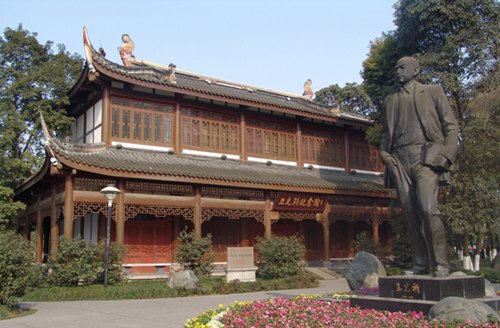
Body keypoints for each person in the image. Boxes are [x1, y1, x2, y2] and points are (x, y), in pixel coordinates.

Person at [380, 56, 459, 277]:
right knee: (410, 213)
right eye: (396, 67)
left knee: (427, 208)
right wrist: (385, 155)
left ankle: (441, 264)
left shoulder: (432, 91)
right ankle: (421, 264)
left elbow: (451, 126)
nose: (398, 71)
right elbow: (386, 135)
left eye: (402, 67)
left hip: (426, 156)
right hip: (398, 159)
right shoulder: (390, 100)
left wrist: (445, 155)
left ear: (415, 70)